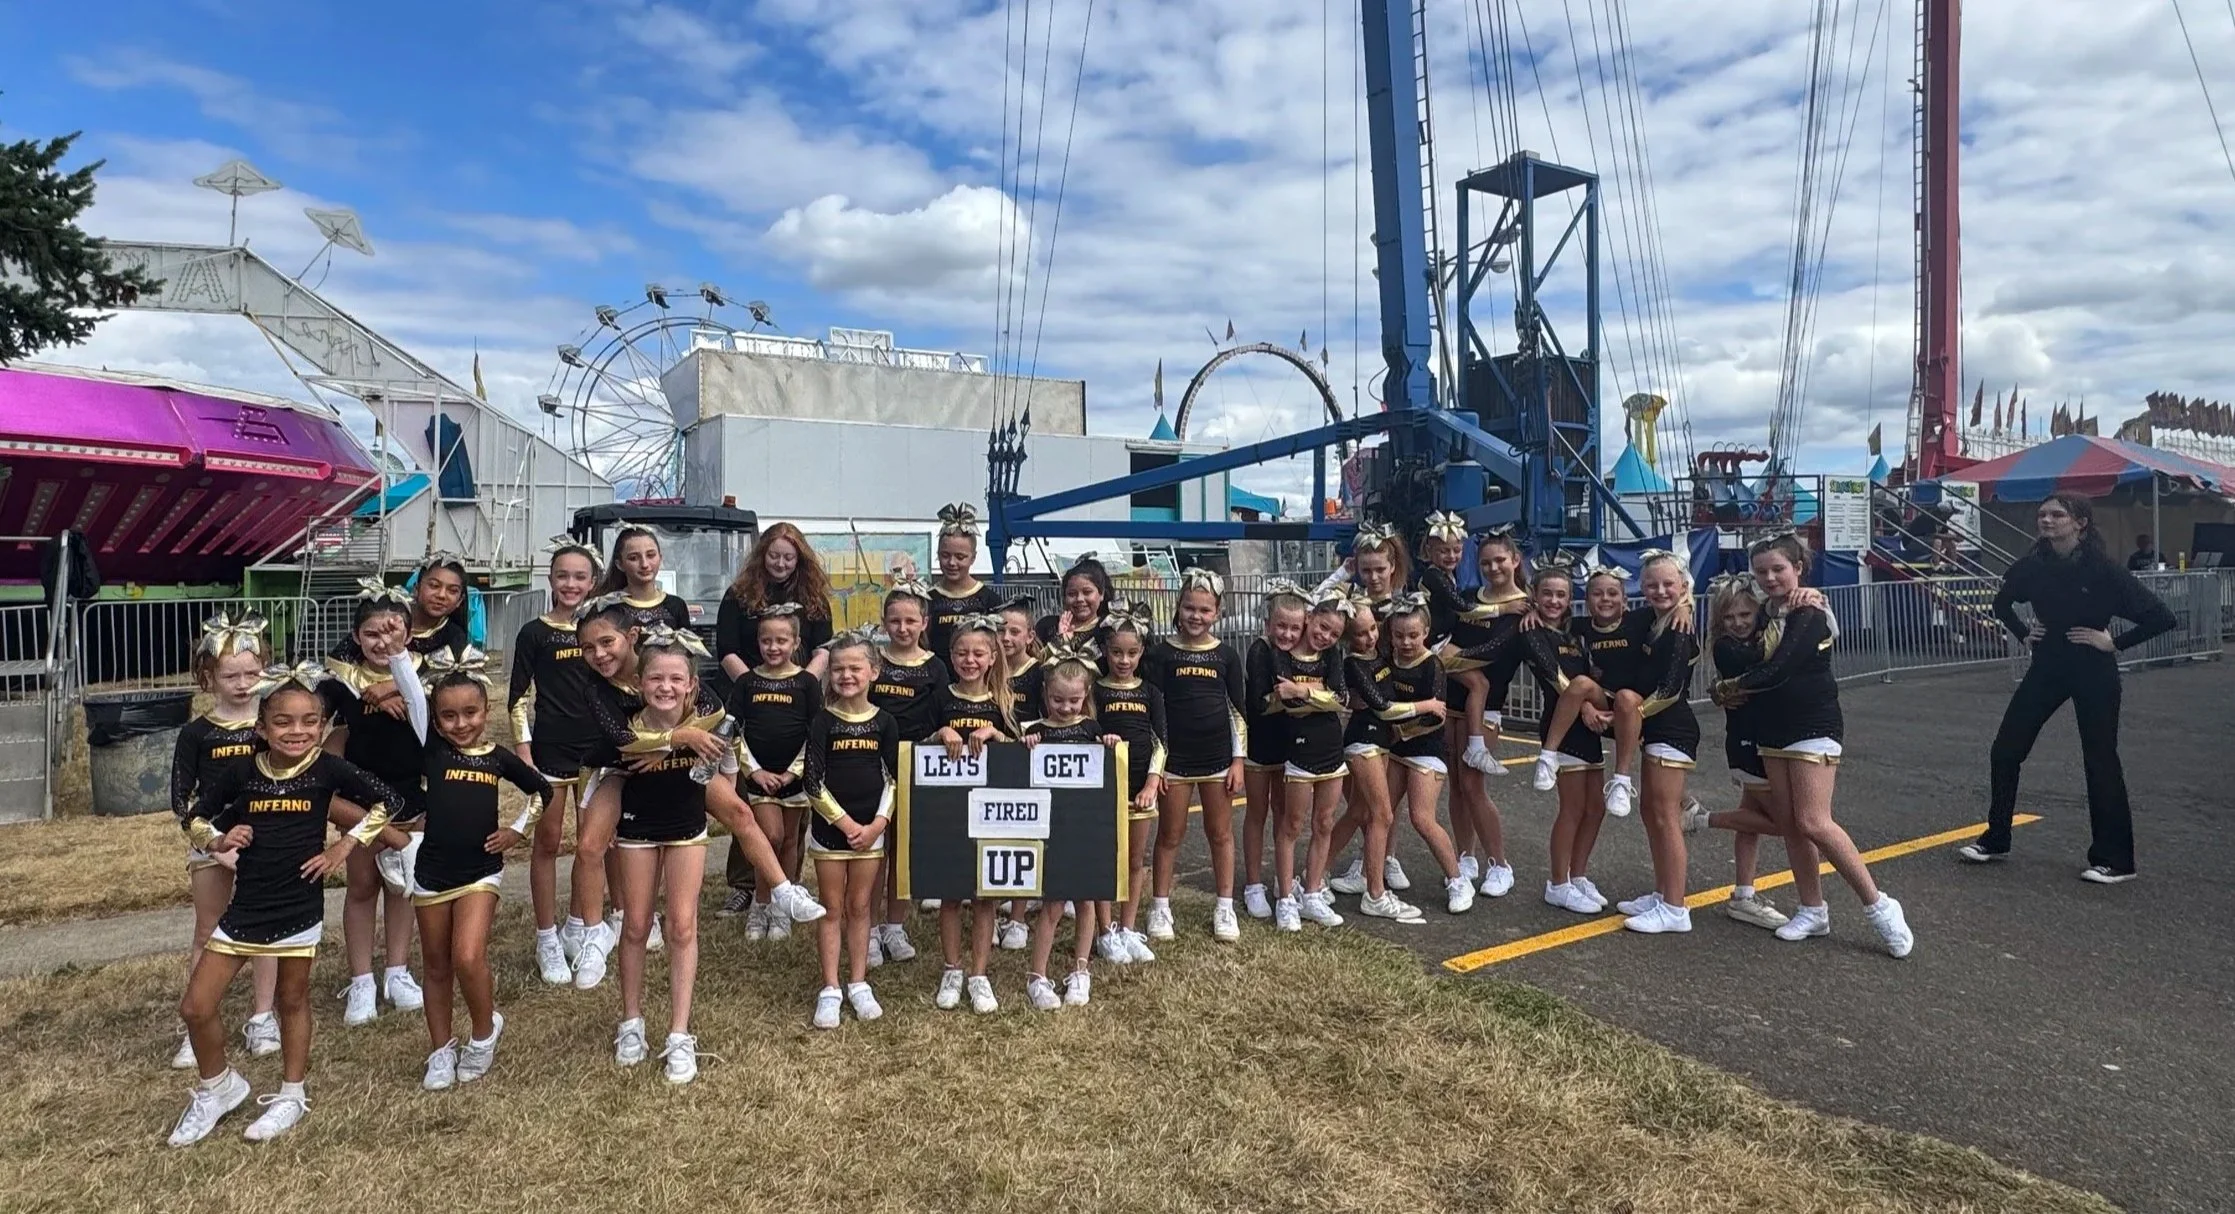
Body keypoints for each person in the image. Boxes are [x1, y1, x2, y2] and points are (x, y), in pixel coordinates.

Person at [168, 663, 410, 1146]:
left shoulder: (328, 769)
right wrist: (218, 839)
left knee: (292, 1000)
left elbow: (388, 803)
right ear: (261, 727)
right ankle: (218, 1087)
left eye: (308, 722)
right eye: (283, 722)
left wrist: (345, 846)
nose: (296, 731)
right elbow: (194, 817)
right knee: (196, 1006)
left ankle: (291, 1093)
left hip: (297, 907)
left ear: (321, 727)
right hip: (245, 909)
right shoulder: (241, 770)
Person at [1714, 533, 1914, 956]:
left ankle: (1879, 905)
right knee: (1791, 824)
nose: (1770, 578)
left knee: (1814, 821)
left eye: (1778, 569)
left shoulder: (1810, 610)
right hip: (1772, 729)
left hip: (1812, 723)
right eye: (1761, 571)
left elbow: (1782, 668)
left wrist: (1725, 688)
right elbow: (1738, 630)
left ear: (1798, 567)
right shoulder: (1768, 612)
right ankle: (1812, 908)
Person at [1960, 493, 2175, 881]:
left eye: (2057, 514)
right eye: (2042, 514)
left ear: (2080, 523)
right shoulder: (2032, 566)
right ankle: (1996, 838)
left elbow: (2161, 617)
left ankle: (2116, 860)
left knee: (2100, 759)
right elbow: (2002, 603)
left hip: (2093, 668)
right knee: (2006, 749)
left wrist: (2113, 642)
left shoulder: (2104, 571)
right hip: (2048, 666)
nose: (2047, 520)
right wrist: (2025, 633)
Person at [398, 647, 549, 1090]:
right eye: (448, 716)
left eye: (470, 713)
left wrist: (517, 831)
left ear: (486, 709)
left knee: (467, 955)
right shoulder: (433, 751)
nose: (460, 724)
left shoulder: (498, 757)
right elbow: (410, 694)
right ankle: (441, 1049)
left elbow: (542, 792)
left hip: (482, 870)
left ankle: (483, 1033)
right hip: (431, 873)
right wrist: (398, 655)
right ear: (435, 718)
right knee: (437, 965)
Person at [608, 627, 739, 1083]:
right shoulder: (626, 722)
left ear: (690, 685)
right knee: (637, 924)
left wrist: (722, 761)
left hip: (687, 829)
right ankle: (631, 1021)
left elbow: (727, 757)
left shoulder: (707, 724)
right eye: (655, 679)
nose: (665, 687)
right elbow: (621, 749)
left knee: (683, 925)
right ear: (640, 683)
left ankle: (680, 1032)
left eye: (675, 679)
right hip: (637, 830)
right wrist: (674, 739)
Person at [167, 613, 280, 1069]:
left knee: (266, 932)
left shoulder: (272, 724)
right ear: (207, 678)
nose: (242, 684)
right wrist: (216, 843)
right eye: (230, 676)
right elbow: (182, 802)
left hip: (267, 838)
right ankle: (199, 1023)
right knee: (208, 931)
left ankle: (263, 1017)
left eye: (252, 674)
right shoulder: (195, 734)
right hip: (211, 841)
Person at [714, 523, 835, 913]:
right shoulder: (739, 596)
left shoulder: (814, 598)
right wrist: (753, 684)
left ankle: (789, 886)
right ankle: (744, 884)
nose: (780, 563)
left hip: (799, 697)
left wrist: (800, 684)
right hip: (751, 696)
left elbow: (823, 648)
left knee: (791, 819)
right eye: (774, 555)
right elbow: (727, 648)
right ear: (761, 554)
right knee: (750, 804)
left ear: (799, 558)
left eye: (789, 556)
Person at [323, 585, 427, 1025]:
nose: (383, 643)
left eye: (392, 631)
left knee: (404, 888)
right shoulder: (340, 684)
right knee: (363, 888)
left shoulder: (425, 674)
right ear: (356, 636)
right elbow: (320, 731)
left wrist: (392, 685)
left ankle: (398, 971)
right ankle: (362, 978)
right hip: (362, 801)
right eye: (372, 635)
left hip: (413, 796)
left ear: (408, 631)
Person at [508, 536, 605, 985]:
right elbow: (515, 699)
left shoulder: (602, 631)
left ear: (593, 581)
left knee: (591, 846)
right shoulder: (535, 633)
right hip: (548, 752)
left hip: (595, 753)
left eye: (580, 577)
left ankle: (579, 928)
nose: (571, 584)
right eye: (562, 576)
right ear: (550, 579)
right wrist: (524, 753)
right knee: (547, 843)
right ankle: (546, 936)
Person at [1143, 568, 1249, 943]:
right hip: (1175, 762)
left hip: (1218, 760)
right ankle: (1160, 906)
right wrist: (1158, 767)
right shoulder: (1160, 654)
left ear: (1217, 613)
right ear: (1178, 606)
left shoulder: (1226, 655)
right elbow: (1153, 715)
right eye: (1189, 607)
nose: (1196, 616)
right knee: (1170, 835)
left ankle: (1224, 906)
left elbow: (1238, 711)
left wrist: (1238, 761)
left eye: (1205, 610)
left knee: (1220, 834)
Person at [805, 632, 902, 1029]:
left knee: (862, 907)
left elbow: (896, 779)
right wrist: (844, 823)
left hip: (871, 830)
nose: (846, 675)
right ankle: (830, 987)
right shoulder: (823, 721)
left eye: (854, 668)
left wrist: (878, 824)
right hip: (832, 833)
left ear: (873, 672)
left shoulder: (885, 722)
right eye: (838, 668)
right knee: (832, 908)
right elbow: (812, 782)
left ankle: (858, 982)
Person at [1694, 575, 1797, 930]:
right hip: (1747, 743)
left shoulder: (1761, 631)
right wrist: (1783, 615)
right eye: (1729, 617)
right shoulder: (1727, 647)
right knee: (1786, 823)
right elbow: (1765, 663)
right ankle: (1700, 819)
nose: (1738, 623)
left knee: (1750, 821)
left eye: (1745, 615)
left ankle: (1743, 895)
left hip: (1769, 738)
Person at [927, 613, 1018, 1010]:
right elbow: (916, 747)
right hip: (948, 809)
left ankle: (979, 974)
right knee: (951, 893)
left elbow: (1023, 752)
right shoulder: (940, 696)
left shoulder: (1004, 700)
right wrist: (940, 733)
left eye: (978, 653)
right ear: (951, 655)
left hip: (992, 810)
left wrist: (995, 733)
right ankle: (952, 967)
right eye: (962, 652)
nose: (970, 660)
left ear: (993, 657)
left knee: (985, 896)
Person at [1433, 529, 1531, 896]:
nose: (1493, 568)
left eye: (1500, 561)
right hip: (1452, 703)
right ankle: (1465, 855)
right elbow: (1445, 631)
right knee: (1456, 786)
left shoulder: (1525, 606)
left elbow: (1495, 650)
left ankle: (1500, 863)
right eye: (1486, 562)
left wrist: (1448, 658)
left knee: (1474, 785)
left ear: (1515, 561)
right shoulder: (1471, 598)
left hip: (1486, 707)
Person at [1319, 594, 1428, 920]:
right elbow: (1380, 706)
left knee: (1357, 812)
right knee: (1383, 816)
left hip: (1380, 743)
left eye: (1372, 630)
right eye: (1360, 634)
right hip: (1362, 742)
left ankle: (1316, 875)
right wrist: (1425, 707)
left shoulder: (1381, 653)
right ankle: (1375, 893)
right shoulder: (1353, 663)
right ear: (1348, 639)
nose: (1369, 638)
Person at [1516, 563, 1615, 915]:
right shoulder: (1532, 630)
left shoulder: (1575, 633)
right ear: (1535, 596)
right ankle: (1557, 883)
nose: (1554, 601)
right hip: (1562, 725)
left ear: (1571, 598)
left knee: (1596, 807)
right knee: (1572, 809)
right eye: (1547, 594)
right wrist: (1585, 702)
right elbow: (1554, 675)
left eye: (1561, 595)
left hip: (1585, 727)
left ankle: (1578, 874)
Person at [728, 606, 821, 941]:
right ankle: (761, 902)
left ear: (796, 642)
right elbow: (733, 731)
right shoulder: (747, 682)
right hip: (760, 776)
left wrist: (794, 772)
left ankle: (785, 905)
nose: (773, 647)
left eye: (781, 640)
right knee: (770, 836)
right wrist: (754, 771)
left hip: (794, 777)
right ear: (758, 641)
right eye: (766, 640)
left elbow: (816, 731)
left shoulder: (807, 682)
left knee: (792, 839)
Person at [1020, 647, 1105, 1008]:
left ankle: (1081, 970)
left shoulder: (1091, 729)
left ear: (1085, 697)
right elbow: (1017, 770)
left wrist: (1110, 745)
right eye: (1057, 700)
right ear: (1045, 696)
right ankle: (1037, 976)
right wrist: (1025, 745)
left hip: (1085, 827)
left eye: (1074, 700)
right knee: (1053, 904)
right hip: (1049, 828)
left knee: (1086, 900)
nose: (1066, 708)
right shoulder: (1036, 730)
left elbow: (1108, 769)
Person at [1091, 602, 1167, 962]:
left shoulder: (1150, 692)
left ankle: (1128, 926)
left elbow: (1161, 741)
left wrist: (1152, 783)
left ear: (1141, 653)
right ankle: (1104, 931)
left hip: (1140, 789)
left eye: (1131, 653)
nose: (1123, 660)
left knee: (1135, 860)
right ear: (1105, 651)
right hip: (1104, 790)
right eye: (1117, 652)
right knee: (1106, 858)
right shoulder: (1096, 689)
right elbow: (1085, 729)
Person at [1274, 593, 1353, 932]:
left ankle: (1312, 892)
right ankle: (1286, 899)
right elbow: (1285, 702)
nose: (1326, 637)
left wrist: (1305, 691)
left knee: (1324, 823)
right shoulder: (1282, 655)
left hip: (1332, 748)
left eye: (1334, 634)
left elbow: (1342, 699)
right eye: (1322, 628)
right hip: (1300, 750)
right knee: (1292, 825)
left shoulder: (1332, 655)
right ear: (1309, 618)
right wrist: (1320, 695)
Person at [1239, 581, 1308, 920]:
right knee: (1257, 812)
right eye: (1281, 626)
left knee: (1285, 814)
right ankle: (1253, 883)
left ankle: (1285, 879)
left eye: (1295, 627)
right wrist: (1297, 695)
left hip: (1291, 743)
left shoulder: (1303, 651)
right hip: (1260, 743)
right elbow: (1259, 702)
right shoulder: (1259, 650)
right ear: (1268, 624)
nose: (1287, 633)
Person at [926, 504, 1004, 660]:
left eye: (960, 557)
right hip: (938, 680)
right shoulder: (928, 599)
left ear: (973, 558)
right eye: (945, 555)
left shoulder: (990, 600)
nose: (952, 563)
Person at [593, 528, 691, 633]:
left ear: (660, 558)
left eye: (650, 555)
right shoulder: (606, 606)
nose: (644, 564)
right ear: (620, 564)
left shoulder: (676, 606)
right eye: (634, 558)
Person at [1037, 556, 1113, 651]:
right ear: (1064, 597)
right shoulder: (1046, 626)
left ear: (1101, 594)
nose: (1079, 599)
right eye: (1072, 594)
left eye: (1087, 592)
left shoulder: (1108, 630)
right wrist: (1060, 640)